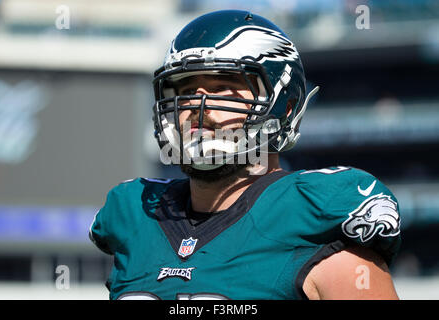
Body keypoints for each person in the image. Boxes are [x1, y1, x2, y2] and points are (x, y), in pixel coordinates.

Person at [89, 10, 401, 300]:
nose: (199, 106)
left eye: (224, 86)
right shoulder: (137, 216)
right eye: (184, 89)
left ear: (285, 107)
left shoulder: (316, 225)